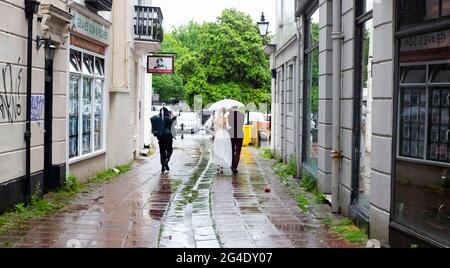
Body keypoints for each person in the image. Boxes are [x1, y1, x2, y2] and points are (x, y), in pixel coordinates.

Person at [213, 108, 232, 173]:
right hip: (224, 135)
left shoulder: (216, 119)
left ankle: (218, 165)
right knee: (224, 149)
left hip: (218, 135)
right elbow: (227, 127)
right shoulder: (225, 119)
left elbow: (215, 128)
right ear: (225, 112)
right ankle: (221, 167)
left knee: (217, 149)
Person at [157, 107, 177, 173]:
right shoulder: (168, 119)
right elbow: (172, 126)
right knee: (169, 150)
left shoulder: (158, 118)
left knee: (162, 152)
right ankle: (167, 160)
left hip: (160, 138)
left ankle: (163, 166)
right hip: (168, 138)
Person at [228, 106, 245, 174]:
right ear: (237, 108)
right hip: (240, 134)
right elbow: (241, 124)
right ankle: (235, 167)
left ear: (232, 108)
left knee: (232, 150)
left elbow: (230, 124)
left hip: (232, 134)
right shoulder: (242, 115)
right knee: (238, 151)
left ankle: (232, 165)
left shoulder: (230, 115)